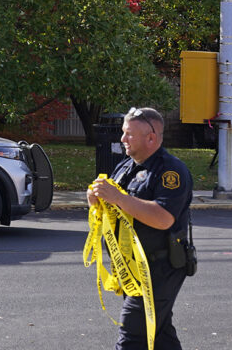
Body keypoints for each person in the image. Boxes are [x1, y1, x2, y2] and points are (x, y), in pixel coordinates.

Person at [87, 107, 193, 350]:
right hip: (132, 268)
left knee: (132, 337)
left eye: (129, 135)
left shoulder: (170, 171)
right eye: (123, 133)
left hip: (159, 269)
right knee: (160, 333)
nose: (122, 139)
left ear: (151, 138)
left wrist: (119, 198)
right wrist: (95, 198)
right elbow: (111, 210)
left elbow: (163, 218)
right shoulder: (126, 166)